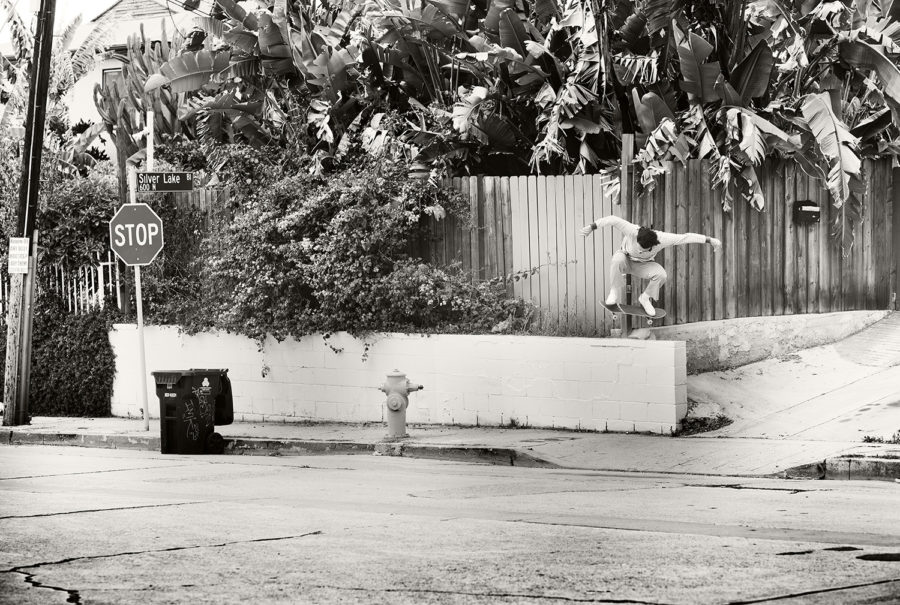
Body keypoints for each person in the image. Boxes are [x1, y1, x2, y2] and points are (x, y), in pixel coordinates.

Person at [580, 215, 722, 316]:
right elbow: (611, 219)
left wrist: (710, 240)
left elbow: (686, 237)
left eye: (644, 250)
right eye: (639, 247)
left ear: (654, 245)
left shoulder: (662, 239)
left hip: (644, 265)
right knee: (617, 259)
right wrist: (591, 227)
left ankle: (645, 298)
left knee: (661, 275)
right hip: (625, 258)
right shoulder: (631, 230)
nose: (641, 251)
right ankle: (614, 291)